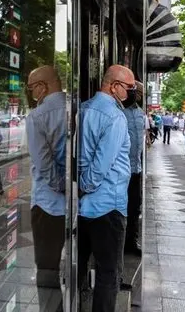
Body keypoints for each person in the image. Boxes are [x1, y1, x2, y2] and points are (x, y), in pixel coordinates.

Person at [78, 64, 134, 312]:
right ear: (114, 86)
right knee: (108, 273)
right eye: (128, 88)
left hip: (82, 207)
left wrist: (79, 192)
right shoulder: (115, 116)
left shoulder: (82, 109)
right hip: (108, 206)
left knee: (78, 268)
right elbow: (102, 164)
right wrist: (85, 187)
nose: (130, 93)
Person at [26, 66, 66, 312]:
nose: (31, 93)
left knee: (47, 268)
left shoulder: (37, 116)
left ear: (42, 87)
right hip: (78, 205)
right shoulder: (77, 109)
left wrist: (61, 187)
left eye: (32, 88)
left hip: (47, 205)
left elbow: (43, 163)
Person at [122, 80, 144, 257]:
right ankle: (120, 242)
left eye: (141, 94)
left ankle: (131, 241)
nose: (139, 96)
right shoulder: (120, 112)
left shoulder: (140, 113)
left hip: (136, 169)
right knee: (121, 208)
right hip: (122, 171)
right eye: (137, 92)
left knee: (135, 207)